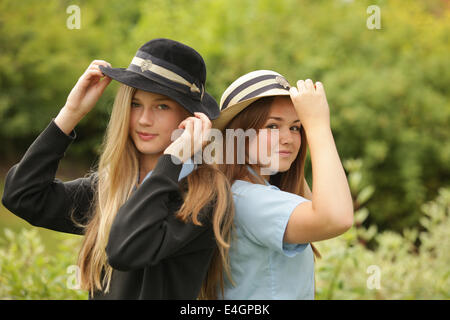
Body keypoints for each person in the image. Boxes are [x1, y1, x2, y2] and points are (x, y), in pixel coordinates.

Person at [1, 38, 234, 299]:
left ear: (190, 119)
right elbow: (22, 196)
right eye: (135, 104)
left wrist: (173, 160)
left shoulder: (203, 194)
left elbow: (125, 250)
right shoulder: (111, 186)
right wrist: (70, 113)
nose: (144, 120)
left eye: (162, 106)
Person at [212, 70, 354, 299]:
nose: (288, 138)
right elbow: (337, 218)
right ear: (237, 135)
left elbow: (321, 206)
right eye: (272, 126)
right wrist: (318, 126)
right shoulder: (251, 199)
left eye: (296, 127)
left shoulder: (245, 190)